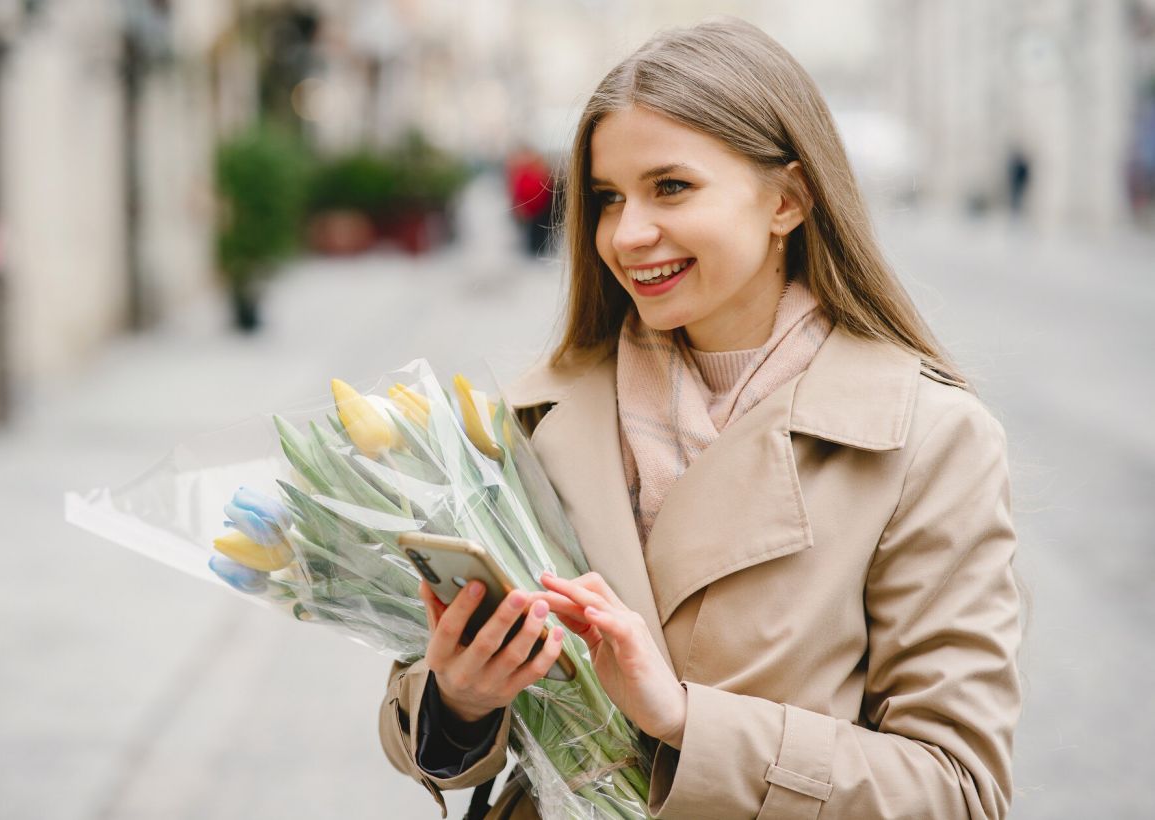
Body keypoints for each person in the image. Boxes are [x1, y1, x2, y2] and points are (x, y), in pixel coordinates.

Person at [379, 18, 1022, 820]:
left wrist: (687, 722)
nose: (627, 233)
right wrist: (460, 700)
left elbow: (957, 792)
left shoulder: (925, 438)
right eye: (609, 198)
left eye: (671, 187)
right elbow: (435, 736)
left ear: (787, 198)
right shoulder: (536, 415)